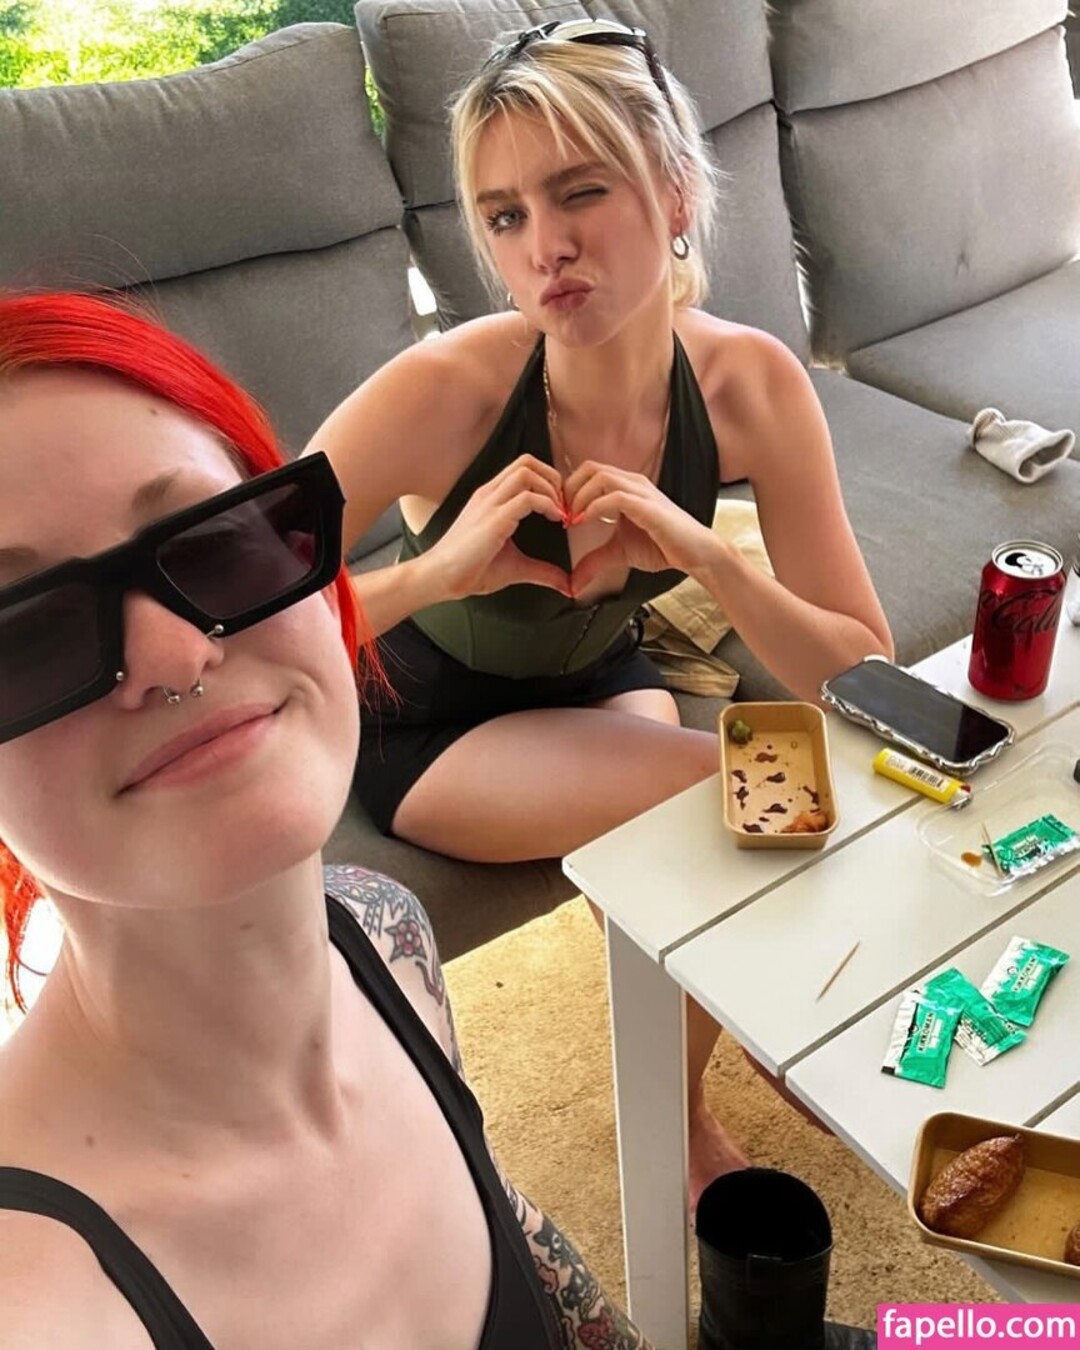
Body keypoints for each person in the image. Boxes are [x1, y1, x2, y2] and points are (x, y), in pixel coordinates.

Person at [308, 18, 894, 1204]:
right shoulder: (442, 392)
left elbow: (862, 676)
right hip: (426, 720)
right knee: (717, 798)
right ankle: (687, 1109)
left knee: (768, 793)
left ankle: (710, 1046)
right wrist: (433, 574)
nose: (547, 247)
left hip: (602, 672)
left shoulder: (749, 386)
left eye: (581, 192)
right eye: (505, 215)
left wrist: (711, 558)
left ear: (675, 192)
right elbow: (225, 622)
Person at [0, 290, 653, 1349]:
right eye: (25, 637)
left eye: (211, 543)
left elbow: (527, 1256)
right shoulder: (44, 1308)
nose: (177, 656)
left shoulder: (383, 939)